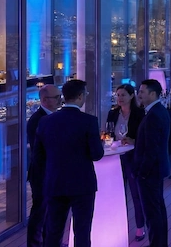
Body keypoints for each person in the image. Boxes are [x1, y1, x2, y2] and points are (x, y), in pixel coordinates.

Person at [33, 79, 104, 247]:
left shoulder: (45, 121)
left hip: (55, 182)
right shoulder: (89, 121)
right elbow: (96, 154)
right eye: (85, 94)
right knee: (82, 231)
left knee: (53, 231)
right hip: (82, 184)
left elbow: (38, 156)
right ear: (80, 96)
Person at [106, 84, 147, 241]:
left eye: (123, 95)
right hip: (116, 156)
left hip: (133, 156)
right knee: (116, 192)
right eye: (118, 95)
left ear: (131, 96)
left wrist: (133, 140)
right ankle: (116, 226)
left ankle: (139, 226)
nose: (120, 98)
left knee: (136, 193)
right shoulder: (113, 113)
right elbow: (109, 132)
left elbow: (143, 137)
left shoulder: (140, 114)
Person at [134, 79, 171, 247]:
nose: (139, 95)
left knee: (152, 213)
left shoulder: (154, 115)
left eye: (142, 92)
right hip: (157, 170)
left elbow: (151, 148)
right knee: (158, 210)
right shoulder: (159, 111)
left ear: (153, 93)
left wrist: (142, 173)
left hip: (150, 172)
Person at [26, 84, 62, 247]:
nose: (60, 100)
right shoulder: (37, 120)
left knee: (52, 212)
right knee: (40, 212)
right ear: (45, 100)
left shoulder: (54, 116)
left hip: (52, 173)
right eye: (57, 97)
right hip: (42, 174)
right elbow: (39, 151)